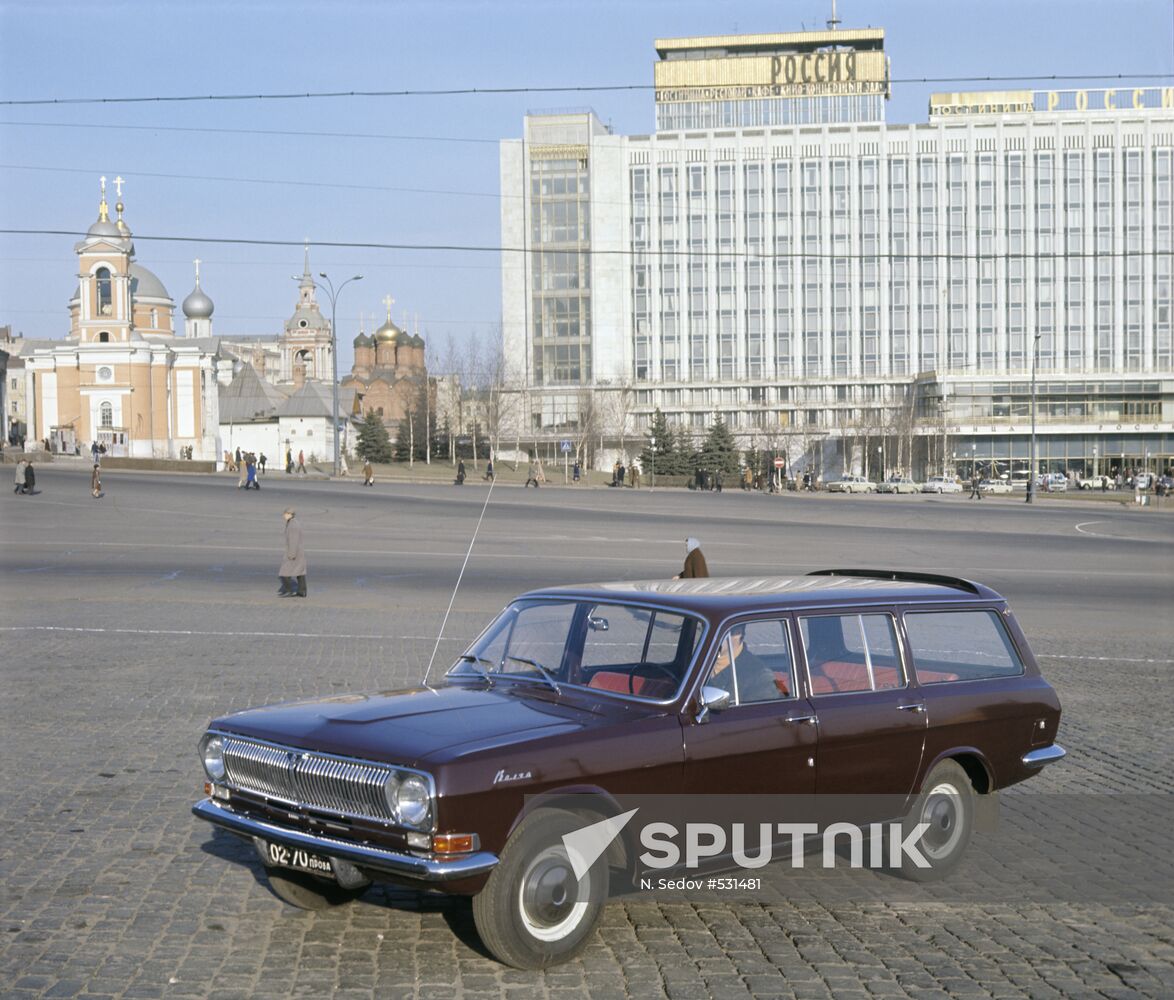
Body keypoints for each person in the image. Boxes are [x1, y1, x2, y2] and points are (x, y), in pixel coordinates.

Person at [709, 626, 779, 704]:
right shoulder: (700, 659)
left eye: (715, 633)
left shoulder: (760, 678)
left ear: (737, 634)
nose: (706, 638)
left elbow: (760, 714)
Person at [278, 508, 307, 598]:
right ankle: (302, 592)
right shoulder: (293, 523)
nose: (284, 515)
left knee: (284, 573)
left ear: (290, 514)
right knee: (300, 572)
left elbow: (293, 541)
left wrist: (291, 555)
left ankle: (288, 590)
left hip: (294, 552)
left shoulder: (293, 525)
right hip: (298, 552)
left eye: (286, 514)